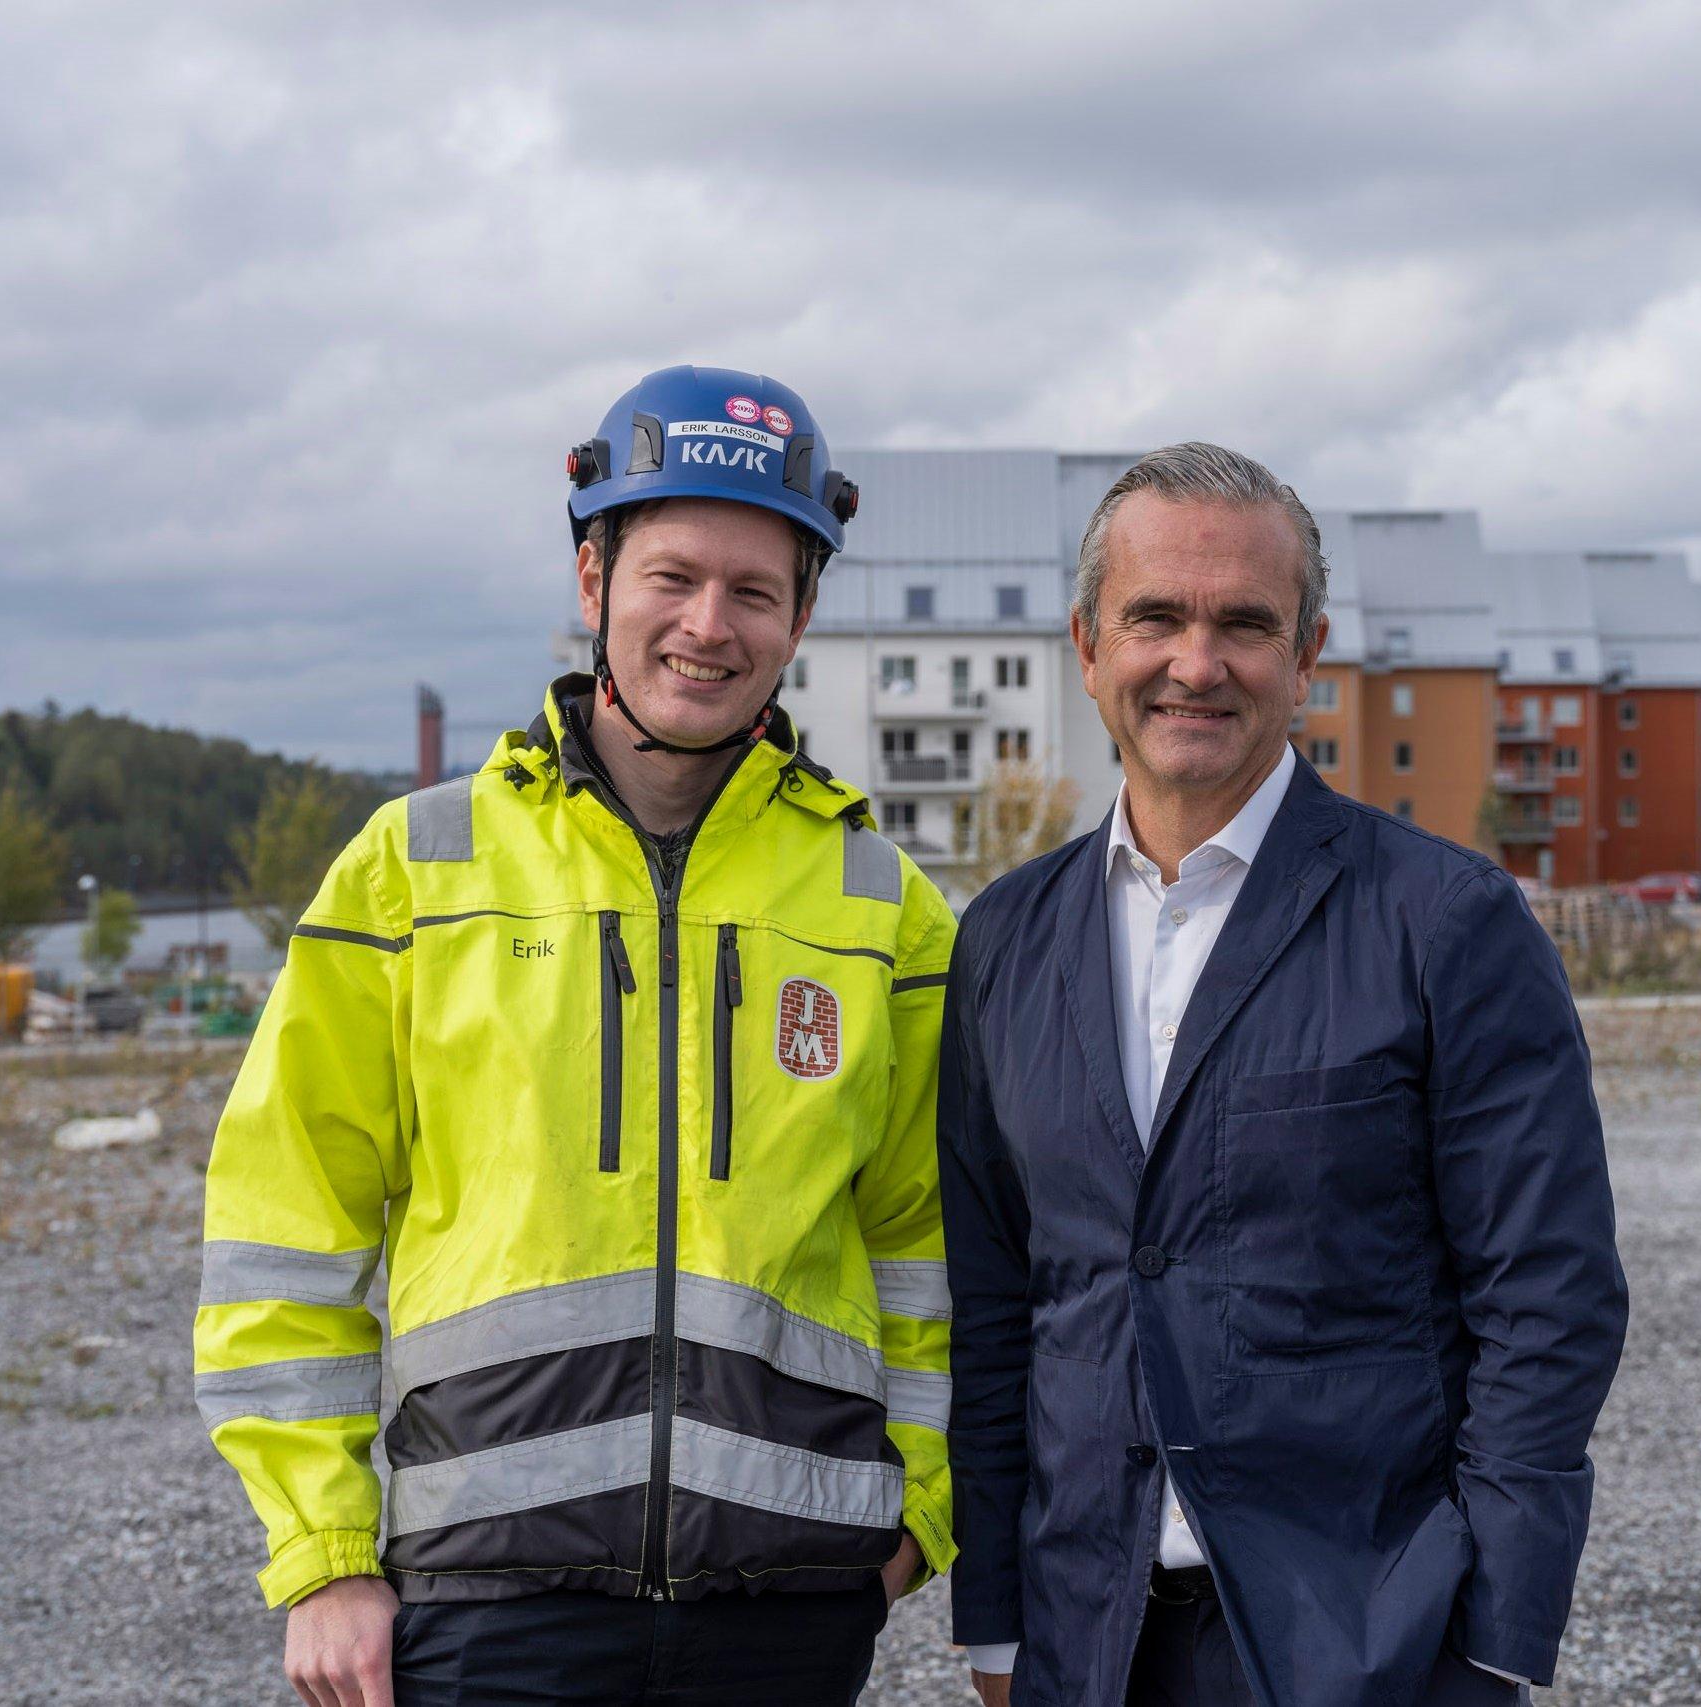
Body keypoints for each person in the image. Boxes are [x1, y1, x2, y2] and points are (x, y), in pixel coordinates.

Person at [194, 366, 957, 1707]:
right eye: (670, 576)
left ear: (799, 618)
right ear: (593, 578)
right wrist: (321, 1556)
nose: (706, 626)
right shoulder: (415, 867)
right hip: (485, 1609)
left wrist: (909, 1525)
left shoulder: (879, 906)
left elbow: (938, 1247)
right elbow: (284, 1226)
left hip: (787, 1611)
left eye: (753, 590)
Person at [938, 443, 1628, 1707]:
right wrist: (994, 1620)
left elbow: (1549, 1297)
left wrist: (1493, 1642)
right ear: (1089, 646)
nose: (1196, 664)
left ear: (1306, 657)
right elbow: (995, 1308)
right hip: (1082, 1645)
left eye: (1244, 624)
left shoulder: (1447, 921)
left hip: (1367, 1646)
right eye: (1156, 617)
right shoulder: (1002, 943)